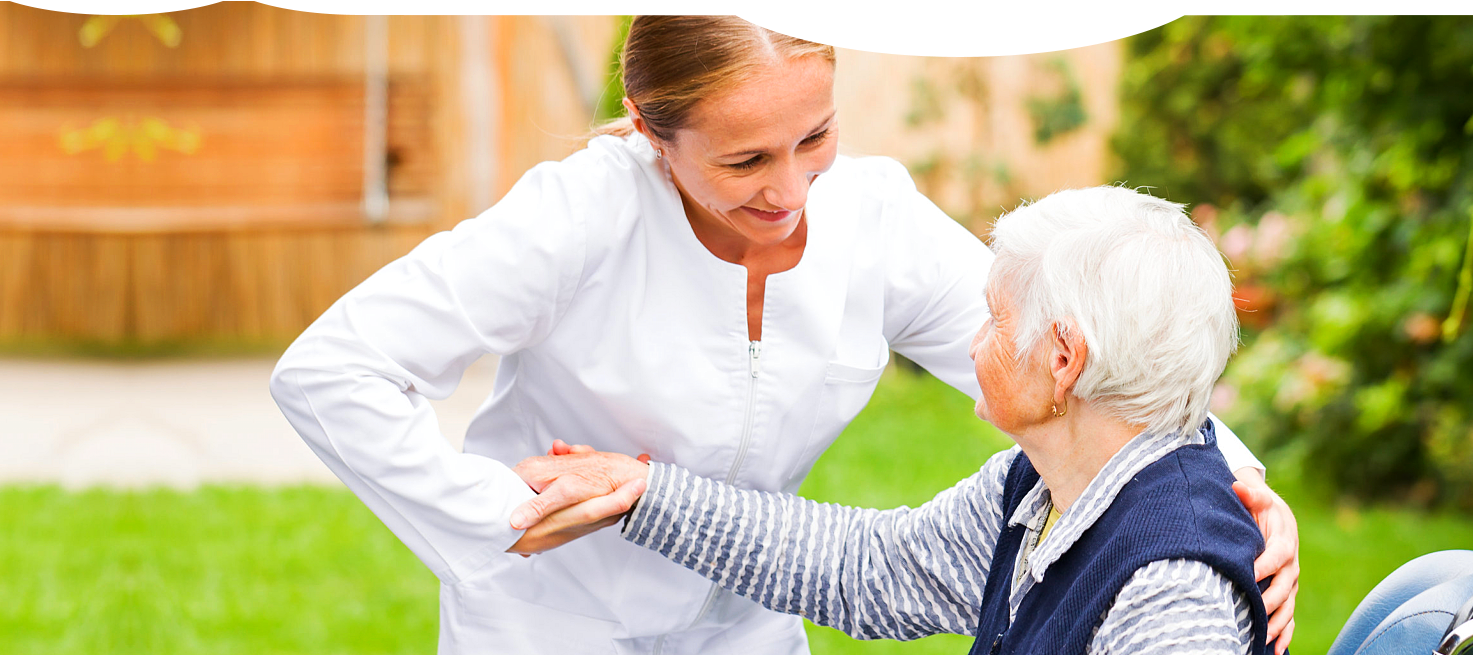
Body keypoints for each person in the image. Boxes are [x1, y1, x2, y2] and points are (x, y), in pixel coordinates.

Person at [268, 15, 1297, 655]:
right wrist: (497, 514)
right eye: (745, 160)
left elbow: (1103, 361)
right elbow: (333, 371)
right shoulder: (579, 216)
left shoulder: (870, 217)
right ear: (646, 127)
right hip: (550, 625)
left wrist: (1239, 494)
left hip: (749, 616)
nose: (793, 189)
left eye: (815, 137)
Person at [512, 185, 1275, 655]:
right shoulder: (1043, 489)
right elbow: (871, 570)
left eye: (995, 321)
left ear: (1063, 361)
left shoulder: (1171, 593)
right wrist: (645, 493)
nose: (973, 343)